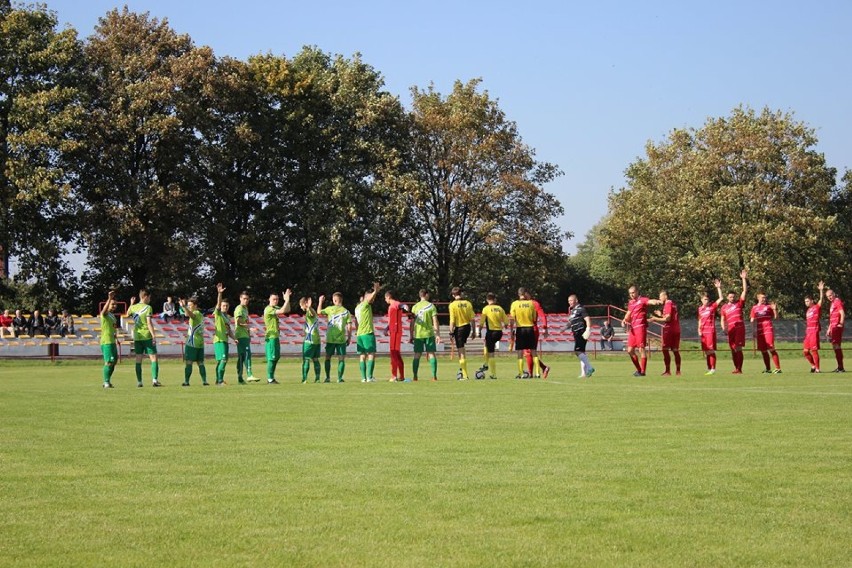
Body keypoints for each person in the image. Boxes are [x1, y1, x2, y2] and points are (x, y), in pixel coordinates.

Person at [127, 289, 161, 387]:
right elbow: (149, 323)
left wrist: (131, 303)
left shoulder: (133, 308)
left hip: (137, 337)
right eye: (149, 297)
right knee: (153, 358)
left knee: (138, 359)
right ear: (145, 296)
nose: (150, 299)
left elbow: (127, 313)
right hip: (146, 336)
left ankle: (139, 382)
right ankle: (154, 380)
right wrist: (154, 336)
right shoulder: (148, 308)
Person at [317, 292, 352, 383]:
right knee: (341, 358)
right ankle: (339, 378)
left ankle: (327, 377)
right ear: (341, 300)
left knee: (328, 357)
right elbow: (349, 326)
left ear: (335, 300)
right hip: (341, 339)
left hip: (330, 338)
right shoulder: (346, 311)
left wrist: (320, 301)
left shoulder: (329, 309)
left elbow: (318, 312)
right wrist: (349, 337)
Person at [720, 270, 749, 374]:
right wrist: (724, 328)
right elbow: (723, 319)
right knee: (732, 349)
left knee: (738, 348)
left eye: (733, 296)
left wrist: (743, 279)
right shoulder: (724, 307)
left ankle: (739, 369)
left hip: (739, 328)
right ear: (727, 297)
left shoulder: (739, 304)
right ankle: (736, 368)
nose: (732, 298)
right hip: (731, 329)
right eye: (730, 296)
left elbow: (744, 291)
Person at [648, 290, 682, 376]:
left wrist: (655, 318)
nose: (659, 298)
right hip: (676, 329)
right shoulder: (673, 304)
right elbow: (669, 317)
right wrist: (660, 315)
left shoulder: (668, 304)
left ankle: (668, 371)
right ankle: (678, 371)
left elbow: (668, 319)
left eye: (660, 297)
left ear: (665, 296)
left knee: (665, 349)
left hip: (669, 330)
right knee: (675, 350)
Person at [410, 289, 441, 381]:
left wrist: (411, 335)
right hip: (429, 333)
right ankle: (434, 376)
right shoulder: (431, 306)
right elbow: (435, 320)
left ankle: (415, 376)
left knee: (417, 355)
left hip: (418, 334)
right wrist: (437, 334)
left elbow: (412, 322)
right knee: (431, 354)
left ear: (420, 296)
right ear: (426, 295)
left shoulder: (415, 307)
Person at [264, 289, 292, 384]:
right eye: (273, 299)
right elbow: (283, 310)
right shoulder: (269, 309)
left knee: (276, 357)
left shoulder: (275, 308)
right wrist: (287, 300)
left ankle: (271, 378)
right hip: (271, 337)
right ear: (269, 299)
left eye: (276, 299)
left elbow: (287, 310)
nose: (275, 301)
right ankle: (270, 378)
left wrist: (287, 300)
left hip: (275, 336)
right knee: (272, 358)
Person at [355, 282, 381, 383]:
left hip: (360, 334)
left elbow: (356, 322)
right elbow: (369, 299)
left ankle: (363, 378)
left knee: (362, 355)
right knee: (371, 354)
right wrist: (375, 291)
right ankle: (369, 377)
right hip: (367, 333)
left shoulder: (357, 307)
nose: (373, 300)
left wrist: (357, 332)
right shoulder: (365, 305)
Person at [750, 292, 782, 374]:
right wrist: (753, 330)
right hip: (759, 331)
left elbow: (776, 318)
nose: (764, 299)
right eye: (762, 297)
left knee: (771, 348)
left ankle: (778, 368)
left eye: (765, 297)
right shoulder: (754, 308)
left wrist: (775, 309)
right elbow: (752, 320)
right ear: (758, 298)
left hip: (768, 330)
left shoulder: (768, 307)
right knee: (763, 350)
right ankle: (768, 369)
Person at [179, 297, 208, 386]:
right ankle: (204, 381)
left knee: (189, 362)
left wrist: (184, 307)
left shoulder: (196, 313)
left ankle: (187, 381)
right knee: (200, 363)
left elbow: (190, 315)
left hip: (192, 342)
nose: (189, 307)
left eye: (190, 305)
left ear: (195, 306)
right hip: (200, 342)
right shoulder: (200, 314)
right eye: (188, 305)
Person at [509, 287, 537, 379]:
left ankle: (521, 372)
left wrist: (511, 330)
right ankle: (537, 373)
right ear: (525, 294)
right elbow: (534, 318)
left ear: (518, 294)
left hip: (520, 328)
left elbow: (512, 318)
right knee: (533, 350)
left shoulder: (514, 304)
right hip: (530, 328)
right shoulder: (531, 303)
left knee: (520, 351)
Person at [622, 286, 649, 376]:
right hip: (633, 328)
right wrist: (624, 319)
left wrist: (657, 301)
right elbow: (628, 313)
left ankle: (643, 371)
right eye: (630, 293)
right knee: (630, 350)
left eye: (633, 292)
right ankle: (639, 370)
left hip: (640, 327)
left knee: (641, 349)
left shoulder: (642, 300)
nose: (632, 295)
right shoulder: (631, 302)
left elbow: (650, 301)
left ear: (637, 292)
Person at [698, 281, 724, 375]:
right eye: (704, 299)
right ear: (701, 300)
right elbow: (700, 319)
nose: (706, 301)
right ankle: (709, 368)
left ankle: (713, 369)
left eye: (707, 299)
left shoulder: (712, 307)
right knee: (706, 351)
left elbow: (721, 298)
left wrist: (718, 288)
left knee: (710, 350)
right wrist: (699, 329)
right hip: (703, 332)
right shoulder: (700, 309)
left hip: (710, 330)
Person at [448, 286, 475, 380]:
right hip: (467, 327)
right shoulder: (468, 303)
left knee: (460, 351)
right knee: (463, 349)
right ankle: (463, 368)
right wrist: (474, 331)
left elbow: (452, 320)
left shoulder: (452, 305)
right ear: (461, 293)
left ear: (453, 295)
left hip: (459, 328)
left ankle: (465, 374)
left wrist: (451, 332)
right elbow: (472, 319)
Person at [479, 293, 507, 379]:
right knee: (486, 346)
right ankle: (486, 364)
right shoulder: (500, 308)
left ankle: (493, 373)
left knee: (491, 353)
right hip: (499, 332)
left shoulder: (486, 309)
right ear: (494, 299)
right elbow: (506, 323)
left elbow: (482, 322)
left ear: (487, 300)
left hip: (491, 332)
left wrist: (479, 331)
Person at [212, 284, 236, 386]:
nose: (225, 307)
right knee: (223, 360)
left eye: (226, 306)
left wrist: (234, 338)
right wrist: (220, 293)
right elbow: (218, 304)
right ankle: (220, 381)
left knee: (221, 361)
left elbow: (229, 330)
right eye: (223, 306)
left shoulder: (227, 317)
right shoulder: (218, 314)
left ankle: (218, 380)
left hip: (224, 340)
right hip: (219, 340)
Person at [567, 294, 595, 378]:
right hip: (576, 332)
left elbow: (587, 319)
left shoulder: (581, 309)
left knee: (577, 351)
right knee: (582, 352)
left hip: (581, 332)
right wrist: (564, 328)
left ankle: (590, 368)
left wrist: (588, 329)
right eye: (568, 301)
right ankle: (584, 373)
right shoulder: (573, 311)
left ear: (576, 300)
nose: (570, 302)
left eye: (571, 300)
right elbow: (570, 322)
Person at [233, 290, 258, 383]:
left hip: (245, 335)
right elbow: (239, 322)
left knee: (242, 356)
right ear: (240, 299)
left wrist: (248, 334)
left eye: (247, 299)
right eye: (244, 299)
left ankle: (240, 378)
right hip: (240, 335)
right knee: (247, 354)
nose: (246, 301)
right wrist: (250, 328)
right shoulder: (239, 309)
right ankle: (249, 374)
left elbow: (246, 321)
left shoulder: (245, 309)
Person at [525, 291, 551, 379]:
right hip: (524, 329)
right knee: (530, 352)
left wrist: (544, 327)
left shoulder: (534, 303)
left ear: (528, 294)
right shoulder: (520, 304)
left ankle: (531, 373)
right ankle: (543, 368)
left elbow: (542, 315)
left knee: (528, 352)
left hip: (532, 329)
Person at [299, 296, 322, 383]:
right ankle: (317, 378)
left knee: (306, 359)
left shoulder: (309, 311)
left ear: (304, 304)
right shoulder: (311, 312)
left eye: (301, 305)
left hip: (309, 340)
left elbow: (312, 313)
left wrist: (309, 307)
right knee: (315, 359)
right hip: (316, 340)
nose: (301, 308)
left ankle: (304, 379)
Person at [384, 290, 407, 381]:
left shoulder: (394, 304)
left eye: (385, 298)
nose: (385, 300)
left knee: (393, 353)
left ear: (388, 297)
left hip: (395, 331)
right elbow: (392, 320)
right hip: (394, 330)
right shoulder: (391, 306)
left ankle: (394, 376)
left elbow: (400, 305)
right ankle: (401, 376)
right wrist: (387, 328)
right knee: (396, 354)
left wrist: (404, 306)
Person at [803, 281, 825, 373]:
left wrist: (821, 290)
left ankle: (817, 368)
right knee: (805, 351)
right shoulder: (808, 311)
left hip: (814, 331)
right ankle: (813, 365)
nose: (806, 303)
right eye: (805, 302)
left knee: (814, 350)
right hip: (808, 333)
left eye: (807, 301)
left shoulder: (816, 307)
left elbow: (821, 300)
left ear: (812, 301)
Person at [100, 291, 119, 388]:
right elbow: (103, 311)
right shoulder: (105, 314)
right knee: (109, 361)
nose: (114, 306)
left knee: (114, 361)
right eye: (112, 304)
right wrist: (109, 298)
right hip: (106, 341)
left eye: (115, 304)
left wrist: (116, 337)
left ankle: (107, 381)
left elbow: (113, 328)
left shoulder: (113, 316)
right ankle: (106, 382)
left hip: (112, 341)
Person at [825, 287, 845, 372]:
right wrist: (829, 328)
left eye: (830, 295)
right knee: (835, 346)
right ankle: (840, 366)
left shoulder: (837, 301)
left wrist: (840, 323)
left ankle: (841, 367)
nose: (829, 297)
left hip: (837, 327)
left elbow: (842, 313)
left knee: (836, 346)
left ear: (833, 294)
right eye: (828, 296)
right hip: (833, 327)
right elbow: (832, 317)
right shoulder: (832, 303)